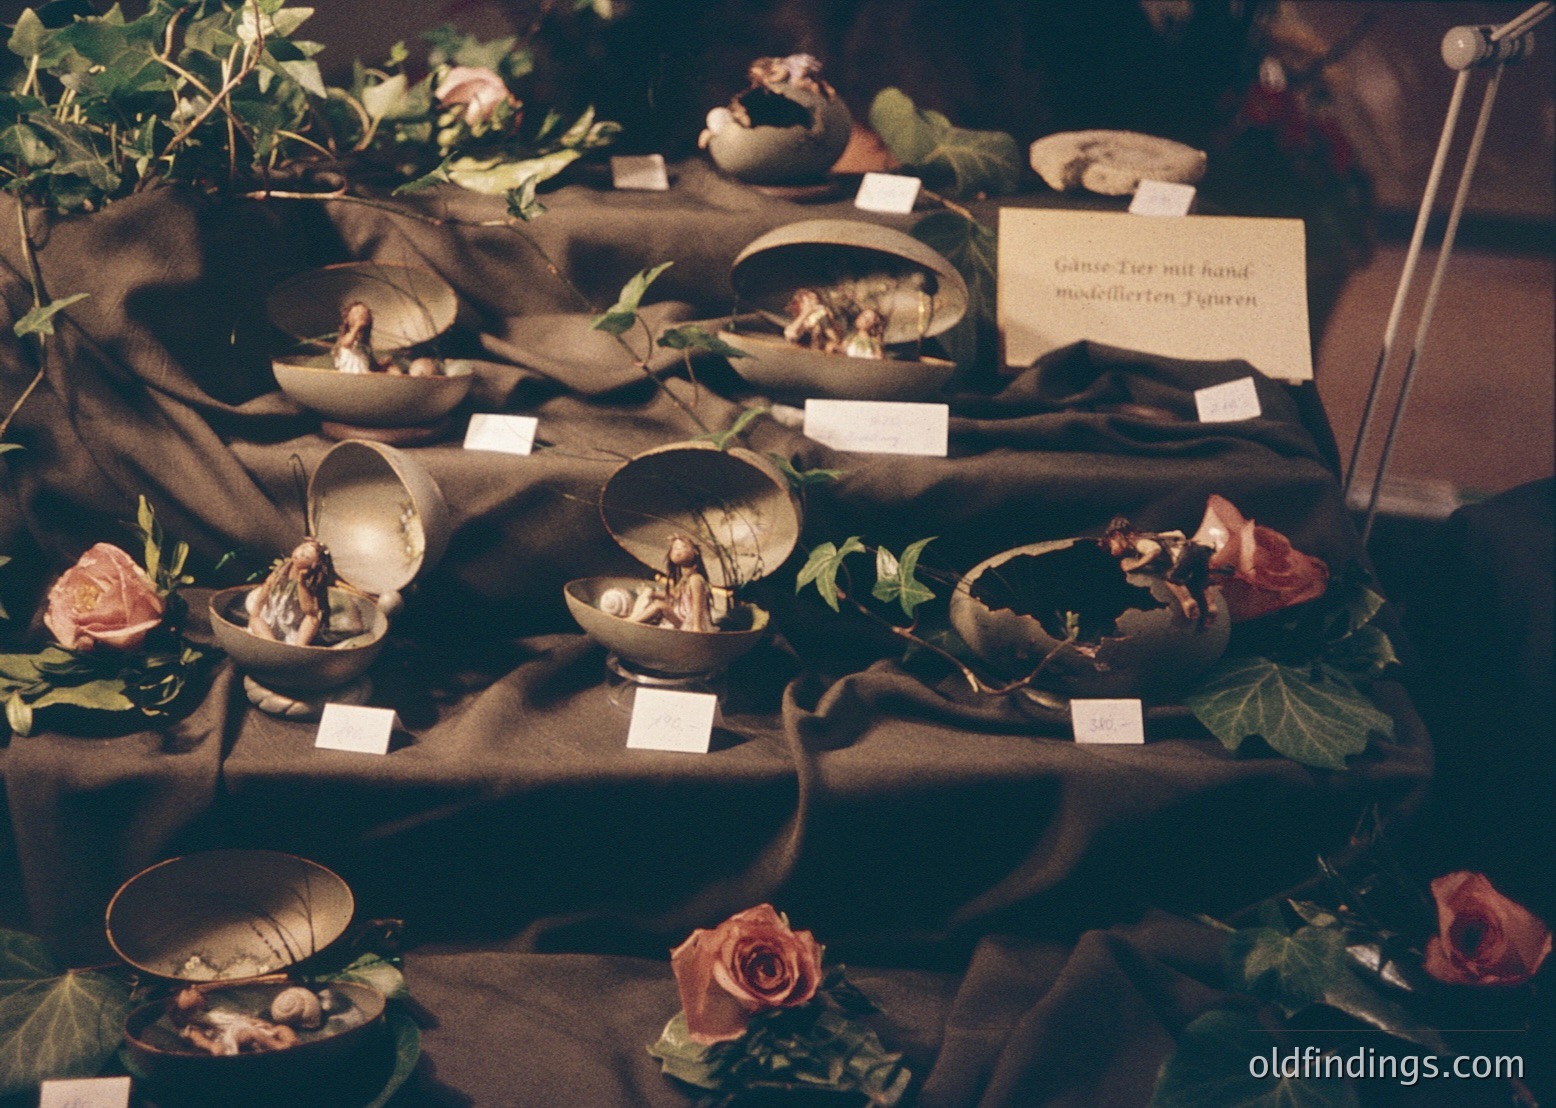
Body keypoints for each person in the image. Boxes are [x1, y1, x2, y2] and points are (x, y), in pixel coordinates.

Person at [246, 537, 335, 645]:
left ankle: (298, 648)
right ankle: (272, 644)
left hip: (293, 620)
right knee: (257, 621)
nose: (301, 554)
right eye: (302, 548)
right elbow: (266, 589)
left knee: (313, 620)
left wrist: (301, 583)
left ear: (314, 564)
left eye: (306, 556)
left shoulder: (311, 582)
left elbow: (310, 611)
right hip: (272, 612)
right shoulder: (281, 570)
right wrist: (255, 615)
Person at [626, 535, 714, 633]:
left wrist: (697, 628)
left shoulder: (695, 579)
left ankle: (632, 622)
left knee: (659, 606)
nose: (678, 551)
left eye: (683, 547)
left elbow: (698, 604)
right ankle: (634, 617)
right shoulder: (685, 579)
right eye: (675, 548)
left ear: (695, 552)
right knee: (650, 595)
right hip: (683, 619)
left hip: (691, 624)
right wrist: (654, 594)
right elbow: (676, 594)